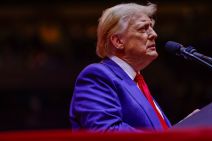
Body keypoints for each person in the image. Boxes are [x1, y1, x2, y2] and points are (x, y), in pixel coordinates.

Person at [69, 2, 171, 132]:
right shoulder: (97, 76)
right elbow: (107, 131)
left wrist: (183, 128)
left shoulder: (137, 82)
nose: (154, 34)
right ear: (118, 41)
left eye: (151, 27)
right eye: (143, 29)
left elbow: (158, 133)